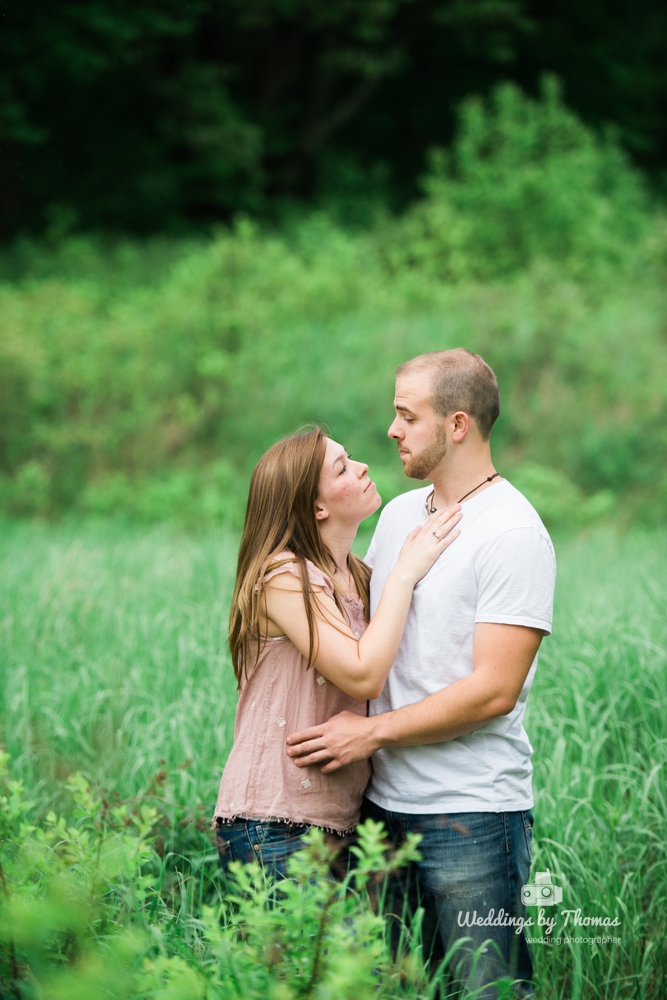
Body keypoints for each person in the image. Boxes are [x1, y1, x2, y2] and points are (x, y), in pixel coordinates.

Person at [286, 350, 556, 997]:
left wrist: (371, 734)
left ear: (456, 424)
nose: (391, 430)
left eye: (406, 416)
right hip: (380, 811)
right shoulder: (402, 515)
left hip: (470, 815)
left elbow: (493, 690)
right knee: (396, 989)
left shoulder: (511, 533)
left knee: (487, 989)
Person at [213, 425, 462, 878]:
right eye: (343, 467)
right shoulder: (283, 575)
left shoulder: (361, 578)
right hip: (274, 823)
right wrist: (405, 573)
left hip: (342, 824)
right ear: (318, 506)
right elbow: (363, 675)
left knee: (372, 950)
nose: (363, 466)